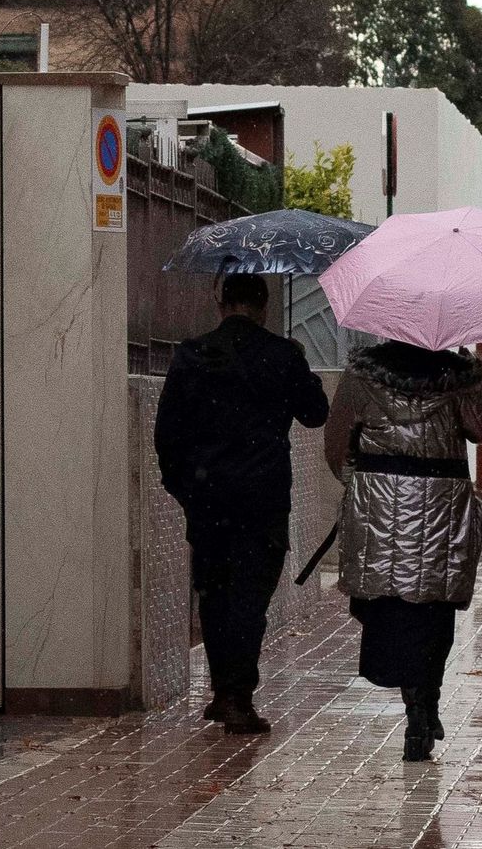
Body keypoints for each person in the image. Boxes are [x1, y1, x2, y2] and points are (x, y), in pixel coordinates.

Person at [154, 273, 329, 734]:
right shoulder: (282, 355)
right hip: (262, 501)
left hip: (208, 499)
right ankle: (236, 697)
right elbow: (316, 414)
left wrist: (186, 491)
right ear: (264, 306)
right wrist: (301, 365)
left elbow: (166, 434)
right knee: (250, 598)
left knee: (213, 595)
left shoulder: (191, 355)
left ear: (221, 302)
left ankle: (224, 692)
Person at [324, 341, 482, 761]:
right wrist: (477, 378)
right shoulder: (459, 377)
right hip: (442, 511)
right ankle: (424, 708)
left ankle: (417, 709)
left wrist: (359, 481)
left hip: (380, 511)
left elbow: (336, 442)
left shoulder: (363, 376)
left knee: (393, 608)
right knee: (433, 612)